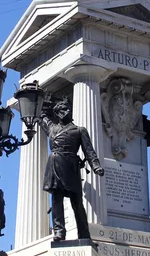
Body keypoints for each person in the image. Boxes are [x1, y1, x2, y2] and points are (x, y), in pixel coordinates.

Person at [41, 98, 104, 241]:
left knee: (77, 202)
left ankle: (84, 234)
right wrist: (38, 101)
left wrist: (96, 166)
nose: (67, 111)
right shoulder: (51, 128)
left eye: (68, 108)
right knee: (56, 199)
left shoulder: (79, 130)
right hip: (55, 164)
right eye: (63, 109)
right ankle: (59, 231)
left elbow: (89, 151)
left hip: (70, 166)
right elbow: (41, 116)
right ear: (57, 113)